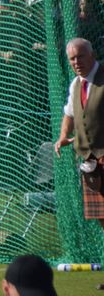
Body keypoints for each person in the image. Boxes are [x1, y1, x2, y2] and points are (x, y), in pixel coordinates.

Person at [54, 38, 104, 254]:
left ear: (92, 55)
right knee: (102, 217)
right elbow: (70, 113)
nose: (76, 62)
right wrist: (64, 136)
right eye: (72, 58)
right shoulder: (76, 84)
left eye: (80, 56)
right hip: (89, 161)